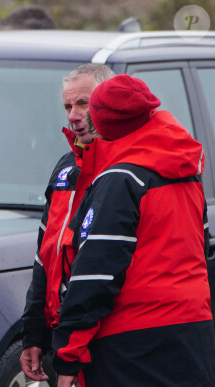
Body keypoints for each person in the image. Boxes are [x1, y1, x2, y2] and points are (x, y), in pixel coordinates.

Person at [54, 74, 215, 386]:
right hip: (193, 332)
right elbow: (203, 255)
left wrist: (68, 354)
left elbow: (96, 275)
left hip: (133, 343)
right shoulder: (186, 173)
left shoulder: (120, 179)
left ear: (102, 124)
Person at [20, 63, 115, 384]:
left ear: (111, 100)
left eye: (83, 103)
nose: (73, 115)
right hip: (64, 335)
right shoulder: (65, 168)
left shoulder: (127, 170)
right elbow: (44, 257)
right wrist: (33, 335)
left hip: (110, 338)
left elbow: (104, 270)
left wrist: (75, 352)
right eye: (67, 106)